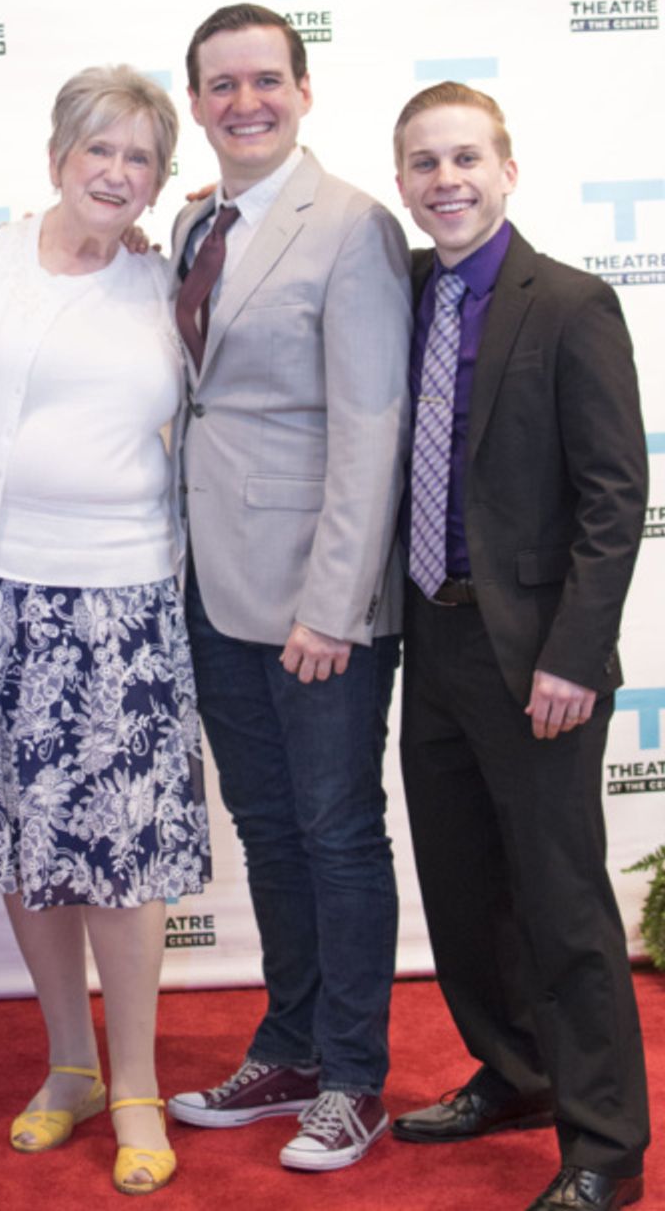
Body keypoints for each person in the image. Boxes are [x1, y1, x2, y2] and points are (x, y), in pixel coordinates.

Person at [0, 65, 210, 1196]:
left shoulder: (165, 284)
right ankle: (66, 1061)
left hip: (124, 601)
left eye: (141, 159)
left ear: (160, 179)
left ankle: (133, 1080)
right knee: (30, 843)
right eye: (99, 151)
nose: (117, 174)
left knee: (120, 859)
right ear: (58, 155)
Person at [389, 82, 650, 1211]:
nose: (445, 180)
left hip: (539, 658)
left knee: (561, 903)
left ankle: (605, 1146)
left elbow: (614, 494)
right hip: (428, 641)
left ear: (507, 169)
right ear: (401, 181)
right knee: (460, 888)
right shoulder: (398, 290)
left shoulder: (573, 303)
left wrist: (575, 655)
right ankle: (517, 1068)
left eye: (465, 159)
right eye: (422, 163)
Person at [165, 4, 412, 1172]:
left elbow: (371, 422)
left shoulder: (352, 224)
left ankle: (355, 1075)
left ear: (304, 91)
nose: (244, 101)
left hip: (318, 598)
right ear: (197, 101)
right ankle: (293, 1043)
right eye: (221, 84)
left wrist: (337, 600)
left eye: (266, 79)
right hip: (212, 587)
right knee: (267, 830)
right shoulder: (189, 219)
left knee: (337, 831)